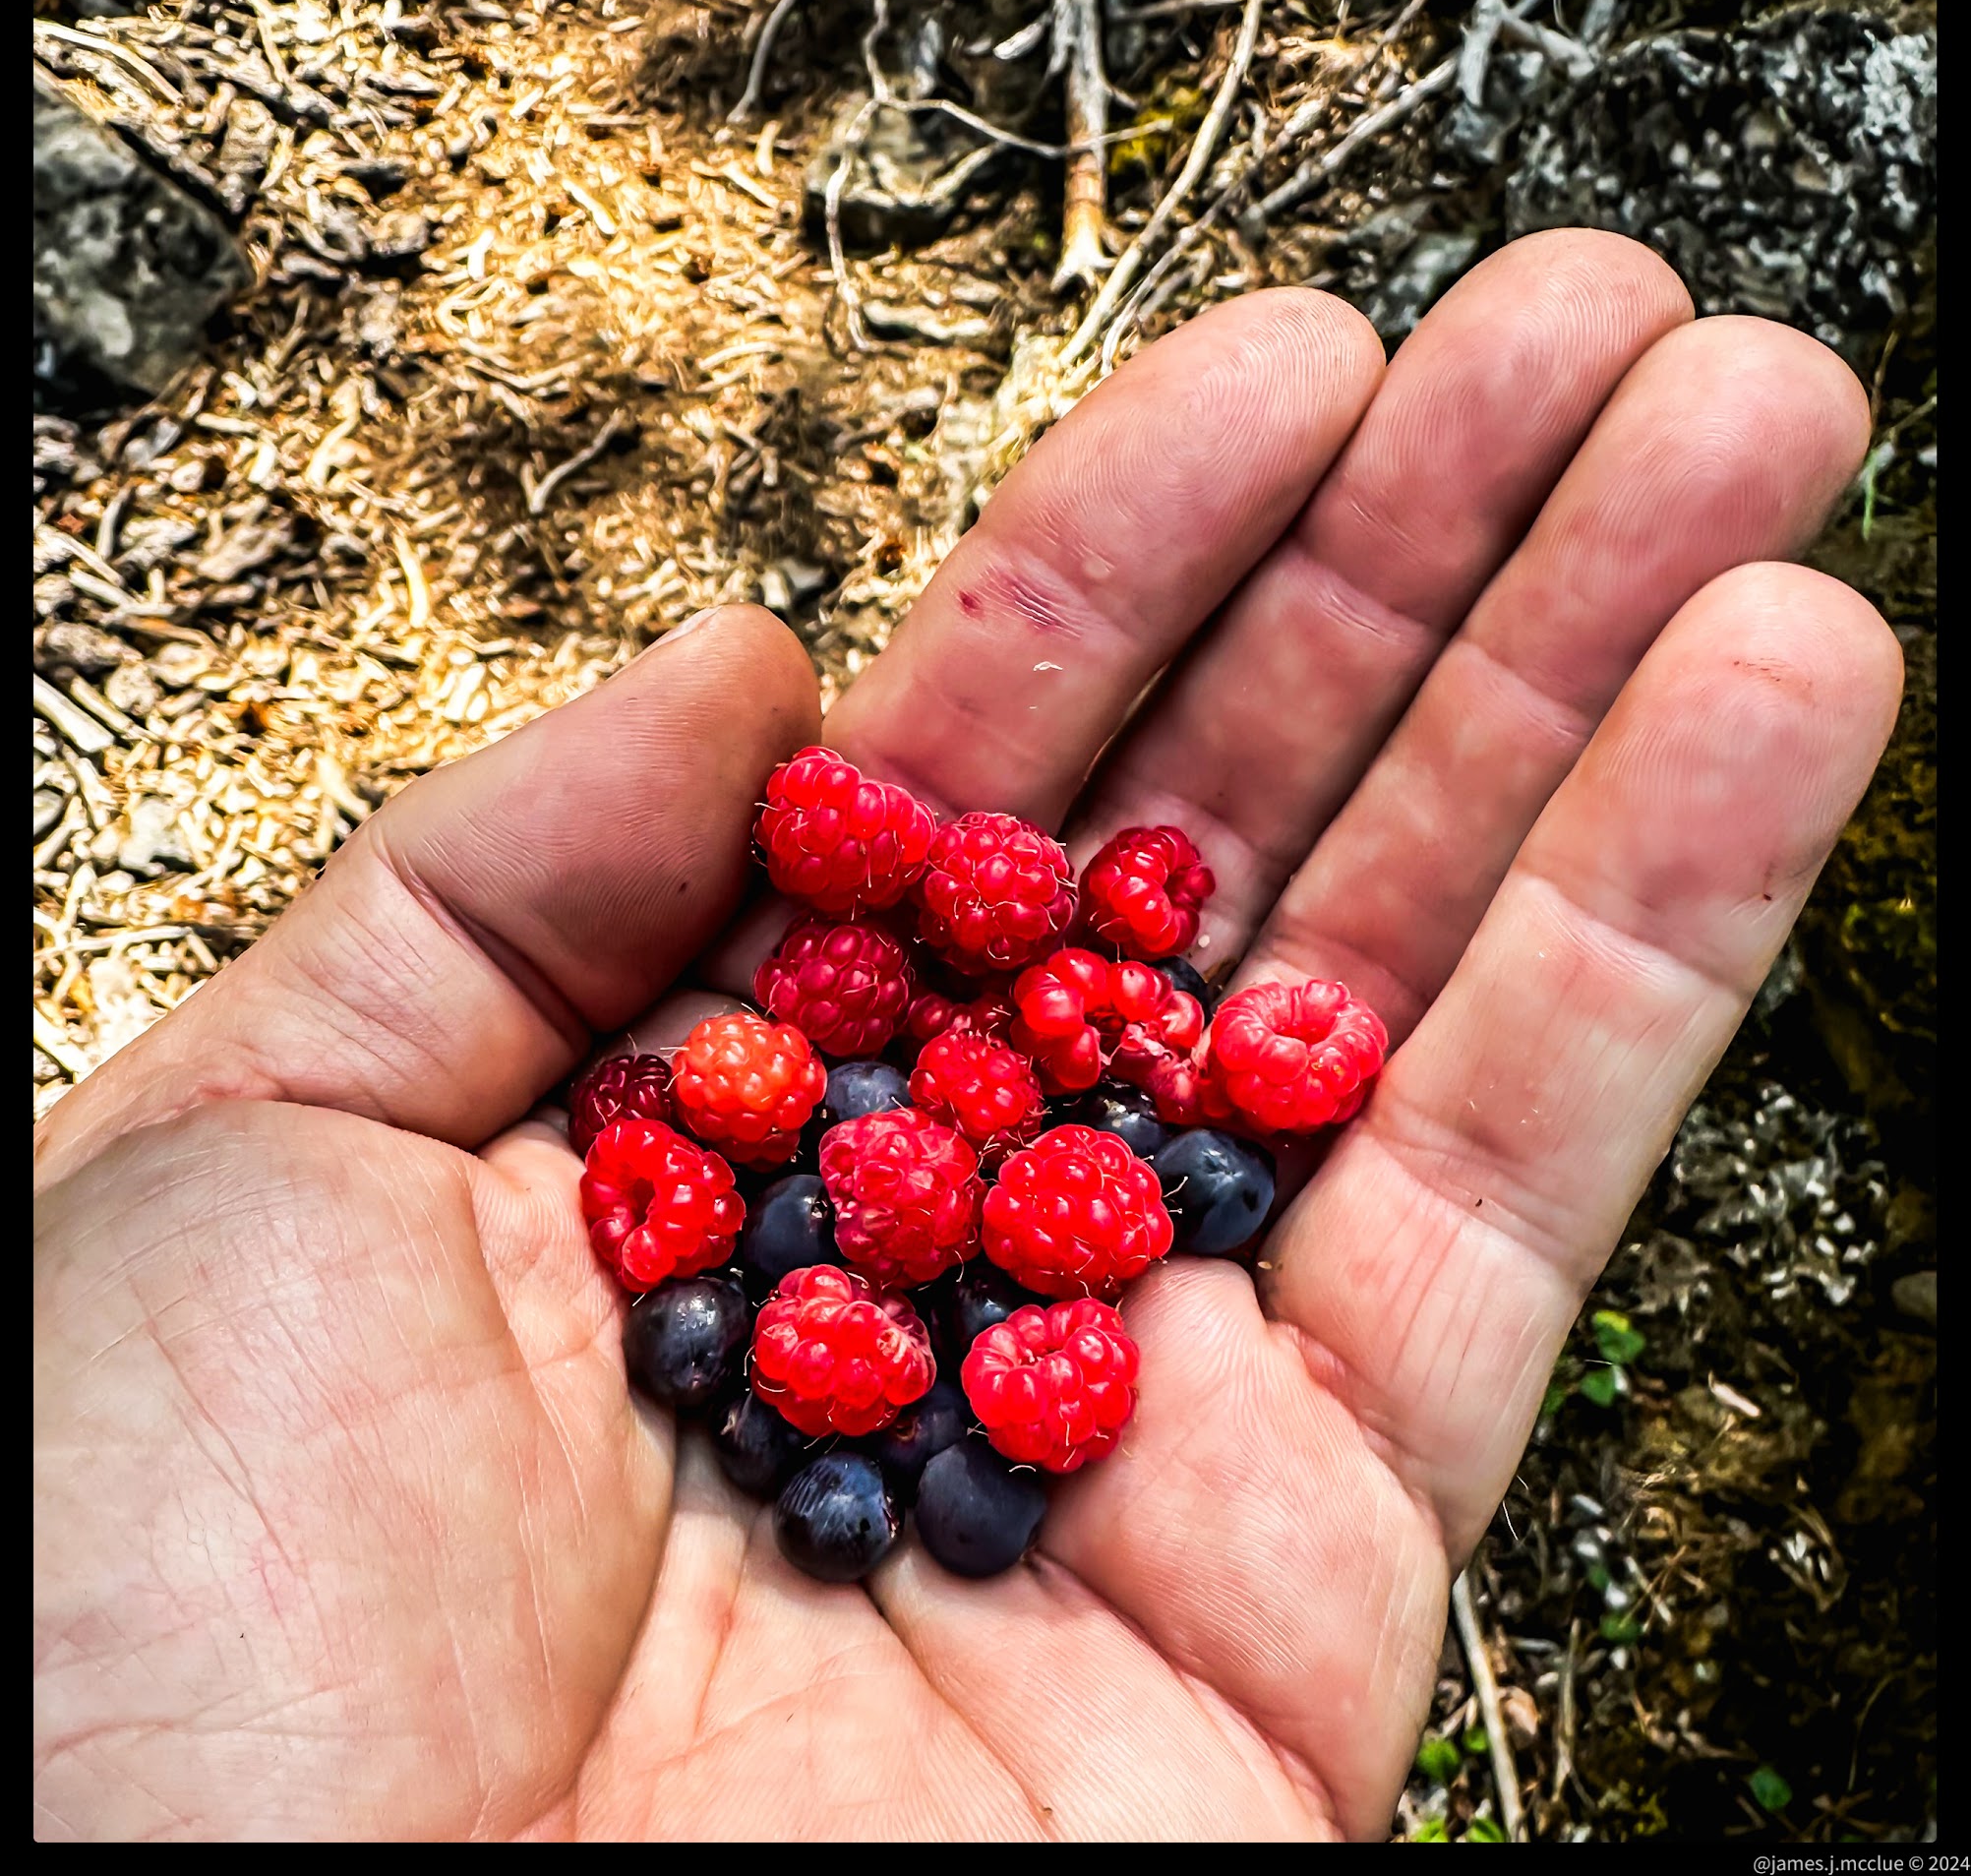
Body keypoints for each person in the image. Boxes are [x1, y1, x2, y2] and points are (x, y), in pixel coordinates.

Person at [32, 229, 1902, 1842]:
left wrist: (1032, 1127)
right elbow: (858, 1218)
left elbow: (996, 1191)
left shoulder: (987, 1172)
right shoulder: (822, 1254)